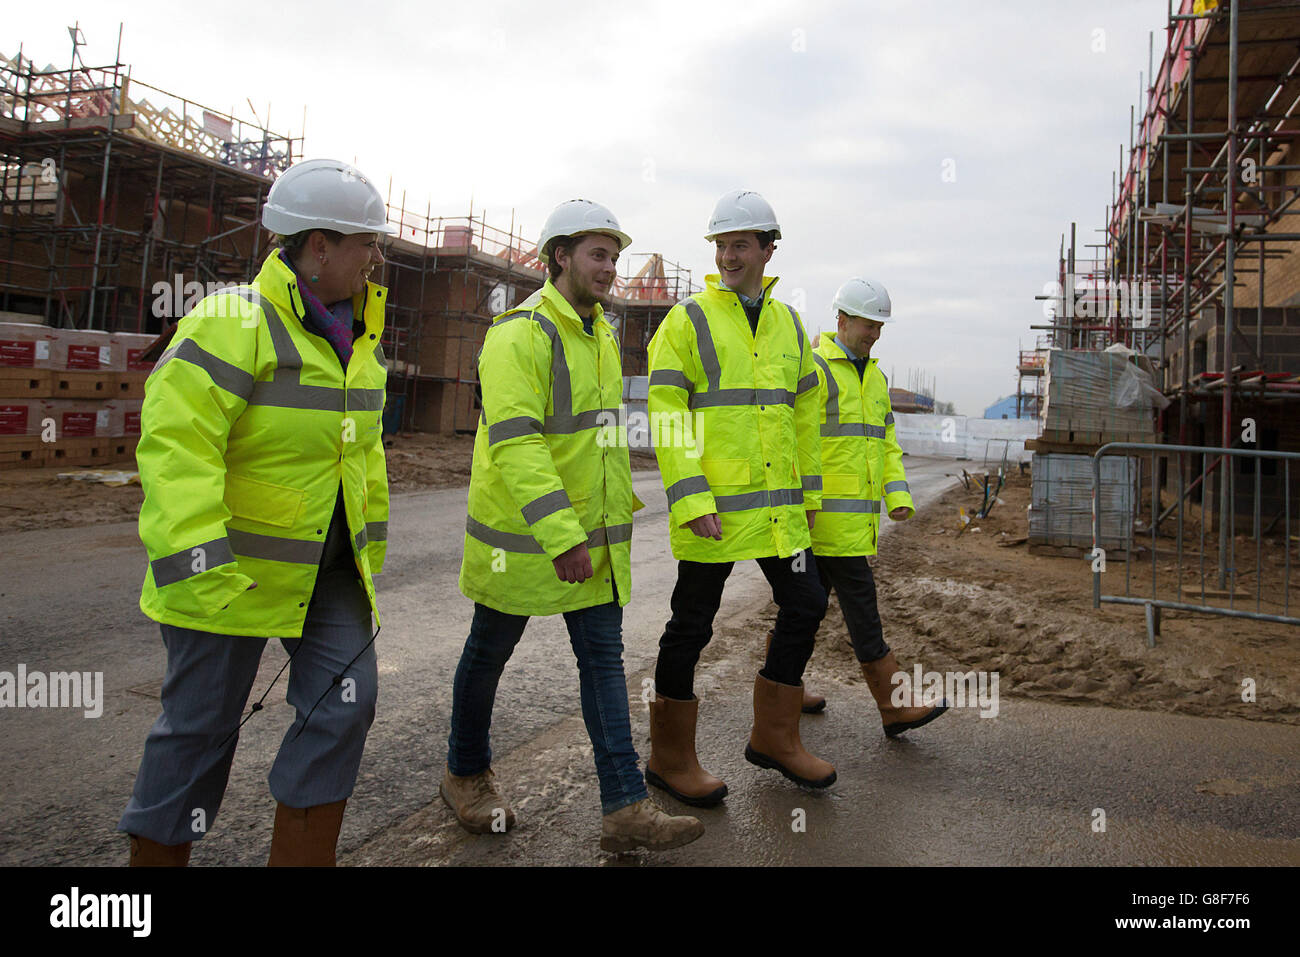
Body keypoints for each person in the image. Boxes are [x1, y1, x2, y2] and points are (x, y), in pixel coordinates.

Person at [119, 158, 395, 865]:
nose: (376, 256)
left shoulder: (362, 338)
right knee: (198, 734)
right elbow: (178, 449)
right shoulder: (232, 321)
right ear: (317, 245)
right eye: (364, 242)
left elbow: (363, 458)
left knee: (346, 703)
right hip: (227, 570)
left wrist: (370, 552)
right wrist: (197, 566)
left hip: (329, 574)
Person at [442, 199, 703, 853]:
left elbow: (599, 443)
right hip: (527, 540)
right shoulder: (521, 333)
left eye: (614, 256)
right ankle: (465, 773)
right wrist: (560, 534)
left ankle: (624, 806)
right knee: (487, 655)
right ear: (559, 256)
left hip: (594, 543)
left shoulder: (599, 336)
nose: (610, 267)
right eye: (597, 253)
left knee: (603, 663)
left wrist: (597, 529)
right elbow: (519, 443)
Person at [644, 188, 832, 808]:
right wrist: (690, 495)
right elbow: (666, 410)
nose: (728, 255)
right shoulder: (689, 320)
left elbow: (806, 410)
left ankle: (773, 737)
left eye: (740, 245)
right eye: (722, 245)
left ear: (768, 250)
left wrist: (809, 491)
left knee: (806, 600)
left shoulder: (789, 323)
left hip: (778, 512)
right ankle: (669, 759)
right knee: (691, 626)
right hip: (714, 512)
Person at [808, 278, 947, 735]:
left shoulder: (876, 378)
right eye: (869, 325)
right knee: (861, 611)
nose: (875, 335)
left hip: (853, 525)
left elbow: (886, 442)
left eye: (880, 327)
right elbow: (795, 442)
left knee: (803, 610)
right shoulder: (815, 370)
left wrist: (899, 495)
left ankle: (784, 687)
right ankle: (893, 705)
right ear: (842, 320)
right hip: (820, 521)